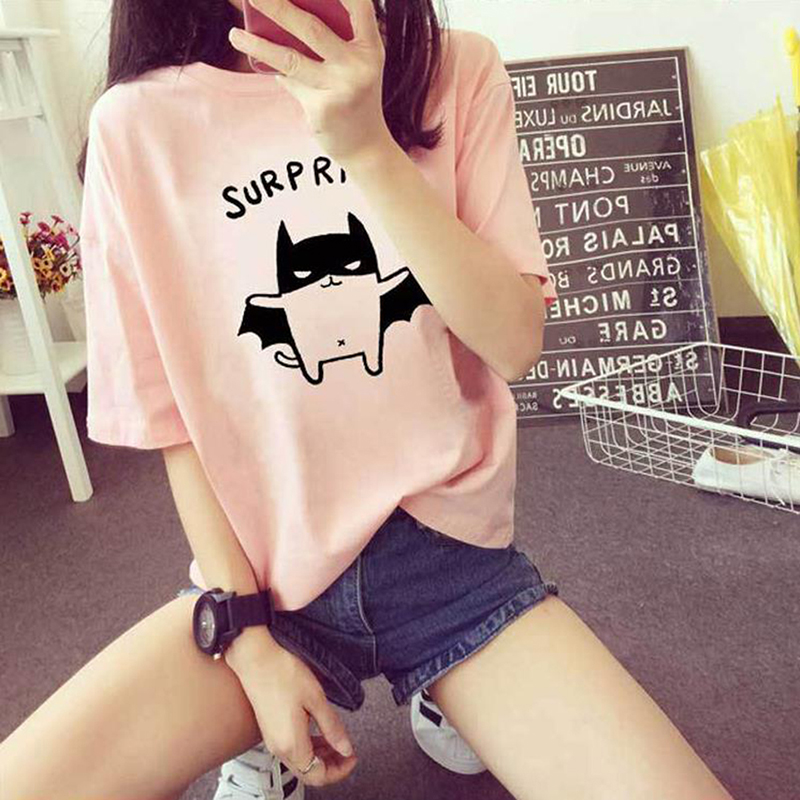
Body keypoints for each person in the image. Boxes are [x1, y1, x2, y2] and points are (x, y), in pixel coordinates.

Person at [0, 1, 737, 799]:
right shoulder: (136, 125)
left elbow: (515, 340)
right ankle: (261, 722)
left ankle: (452, 690)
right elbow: (172, 423)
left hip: (453, 566)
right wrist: (248, 643)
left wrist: (367, 148)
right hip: (264, 581)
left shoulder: (455, 70)